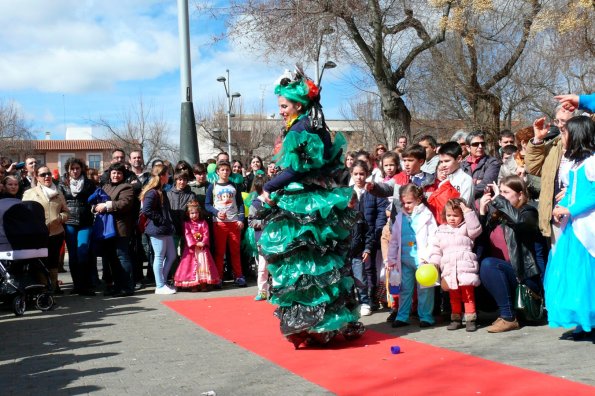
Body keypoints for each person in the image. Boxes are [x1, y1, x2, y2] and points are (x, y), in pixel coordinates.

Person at [256, 69, 363, 347]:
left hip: (305, 202)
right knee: (316, 262)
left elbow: (295, 169)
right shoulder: (311, 125)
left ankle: (312, 326)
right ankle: (318, 325)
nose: (280, 111)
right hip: (317, 199)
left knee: (305, 263)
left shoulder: (302, 128)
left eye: (283, 106)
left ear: (298, 105)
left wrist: (269, 187)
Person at [544, 115, 595, 339]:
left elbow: (592, 194)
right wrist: (560, 207)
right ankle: (584, 321)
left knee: (587, 274)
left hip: (588, 226)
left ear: (578, 135)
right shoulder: (575, 163)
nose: (562, 136)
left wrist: (571, 209)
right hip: (572, 228)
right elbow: (569, 191)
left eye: (565, 132)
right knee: (574, 275)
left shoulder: (593, 162)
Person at [478, 175, 542, 333]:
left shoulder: (528, 212)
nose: (501, 196)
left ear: (520, 194)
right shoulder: (498, 216)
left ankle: (508, 317)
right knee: (478, 266)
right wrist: (482, 212)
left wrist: (500, 200)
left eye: (506, 192)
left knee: (488, 264)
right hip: (504, 275)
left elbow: (520, 223)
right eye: (500, 192)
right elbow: (480, 243)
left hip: (526, 278)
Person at [387, 184, 437, 328]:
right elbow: (394, 239)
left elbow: (433, 237)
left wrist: (428, 256)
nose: (406, 206)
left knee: (425, 289)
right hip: (404, 259)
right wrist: (391, 258)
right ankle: (402, 316)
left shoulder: (427, 215)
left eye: (409, 202)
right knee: (405, 289)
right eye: (403, 203)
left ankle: (426, 316)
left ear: (418, 200)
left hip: (422, 259)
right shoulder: (400, 217)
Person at [427, 199, 482, 332]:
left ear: (462, 215)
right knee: (454, 296)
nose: (452, 218)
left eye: (456, 215)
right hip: (449, 268)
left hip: (465, 267)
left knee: (468, 295)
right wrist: (434, 263)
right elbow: (436, 249)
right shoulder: (441, 230)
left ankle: (470, 319)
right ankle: (456, 318)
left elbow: (476, 230)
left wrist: (468, 211)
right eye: (449, 215)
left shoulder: (466, 228)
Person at [22, 165, 69, 294]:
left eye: (48, 174)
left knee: (54, 262)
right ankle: (43, 289)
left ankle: (52, 288)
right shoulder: (29, 193)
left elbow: (66, 212)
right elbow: (24, 213)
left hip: (56, 232)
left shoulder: (58, 192)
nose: (47, 176)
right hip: (38, 234)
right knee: (41, 261)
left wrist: (60, 217)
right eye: (43, 175)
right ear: (37, 177)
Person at [350, 160, 388, 315]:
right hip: (354, 237)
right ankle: (355, 300)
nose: (359, 177)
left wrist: (377, 230)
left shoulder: (373, 190)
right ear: (351, 175)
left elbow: (381, 212)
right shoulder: (348, 192)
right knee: (356, 271)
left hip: (370, 233)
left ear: (367, 174)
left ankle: (370, 298)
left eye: (362, 174)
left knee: (369, 268)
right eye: (356, 174)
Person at [94, 163, 136, 297]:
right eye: (113, 173)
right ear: (110, 174)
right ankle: (117, 286)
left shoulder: (127, 187)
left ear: (123, 175)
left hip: (120, 228)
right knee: (112, 259)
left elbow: (125, 204)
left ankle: (127, 287)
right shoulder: (105, 186)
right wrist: (95, 207)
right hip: (107, 229)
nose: (116, 175)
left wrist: (106, 206)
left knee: (122, 257)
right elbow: (97, 201)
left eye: (119, 173)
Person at [58, 158, 97, 296]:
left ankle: (86, 285)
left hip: (85, 222)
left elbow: (95, 200)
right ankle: (77, 285)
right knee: (73, 255)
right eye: (72, 168)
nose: (75, 171)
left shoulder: (89, 183)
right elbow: (59, 202)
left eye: (77, 168)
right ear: (68, 170)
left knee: (83, 253)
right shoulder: (62, 184)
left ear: (82, 169)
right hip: (69, 222)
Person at [205, 160, 246, 287]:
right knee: (219, 252)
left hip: (234, 222)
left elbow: (240, 203)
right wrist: (216, 212)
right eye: (222, 170)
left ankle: (238, 276)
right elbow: (207, 204)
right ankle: (219, 277)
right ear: (217, 171)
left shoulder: (234, 185)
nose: (225, 172)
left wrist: (241, 219)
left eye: (227, 170)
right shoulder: (213, 186)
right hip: (219, 223)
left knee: (235, 251)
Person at [140, 164, 177, 295]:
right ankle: (160, 285)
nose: (169, 176)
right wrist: (162, 220)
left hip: (164, 229)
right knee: (159, 256)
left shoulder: (161, 191)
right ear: (161, 176)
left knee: (172, 255)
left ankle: (163, 281)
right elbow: (147, 210)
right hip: (157, 229)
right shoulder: (152, 192)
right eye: (167, 174)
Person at [174, 201, 219, 291]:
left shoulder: (203, 222)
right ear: (188, 213)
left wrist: (203, 242)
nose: (194, 215)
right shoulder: (187, 224)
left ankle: (203, 284)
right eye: (192, 213)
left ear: (199, 213)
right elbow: (188, 235)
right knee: (191, 266)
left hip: (202, 250)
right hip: (191, 250)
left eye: (196, 213)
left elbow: (206, 233)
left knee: (203, 265)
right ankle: (193, 284)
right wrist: (194, 243)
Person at [460, 131, 501, 199]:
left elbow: (486, 184)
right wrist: (476, 181)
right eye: (476, 144)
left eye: (482, 143)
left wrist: (465, 194)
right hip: (464, 206)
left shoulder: (492, 162)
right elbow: (457, 184)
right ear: (468, 148)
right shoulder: (462, 165)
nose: (480, 146)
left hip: (484, 204)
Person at [247, 174, 268, 301]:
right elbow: (251, 221)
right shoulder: (255, 204)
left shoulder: (274, 202)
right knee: (262, 267)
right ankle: (262, 291)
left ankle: (277, 291)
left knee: (275, 267)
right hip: (262, 240)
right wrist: (264, 223)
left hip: (275, 240)